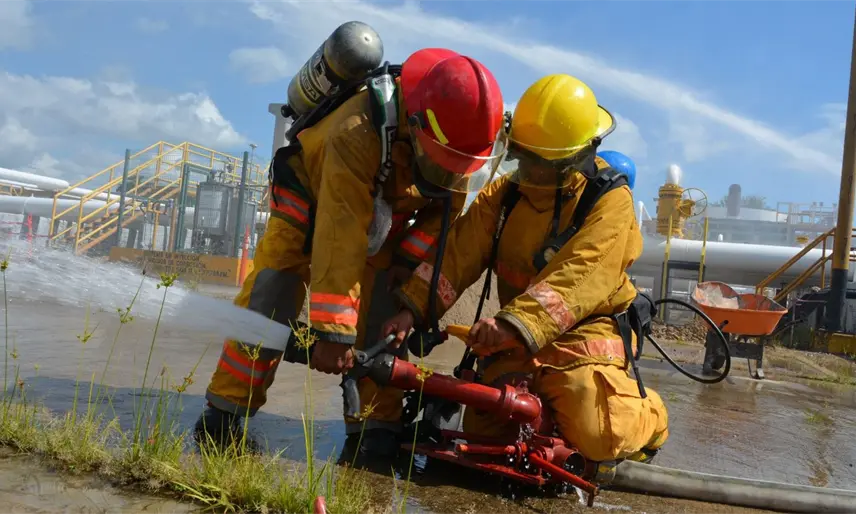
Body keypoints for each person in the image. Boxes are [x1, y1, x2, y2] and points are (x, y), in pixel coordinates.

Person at [194, 48, 507, 457]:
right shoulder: (356, 130)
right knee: (273, 293)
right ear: (416, 126)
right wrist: (333, 333)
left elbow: (440, 215)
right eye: (444, 160)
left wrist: (405, 268)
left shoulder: (457, 141)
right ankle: (224, 411)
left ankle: (375, 427)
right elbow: (339, 237)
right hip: (311, 200)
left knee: (382, 307)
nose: (452, 171)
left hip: (381, 213)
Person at [381, 73, 668, 472]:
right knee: (488, 435)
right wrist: (412, 307)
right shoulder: (505, 196)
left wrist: (512, 325)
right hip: (518, 337)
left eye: (540, 164)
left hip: (585, 336)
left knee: (599, 433)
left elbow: (580, 276)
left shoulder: (609, 201)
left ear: (577, 157)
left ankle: (651, 418)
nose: (528, 172)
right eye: (523, 158)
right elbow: (458, 254)